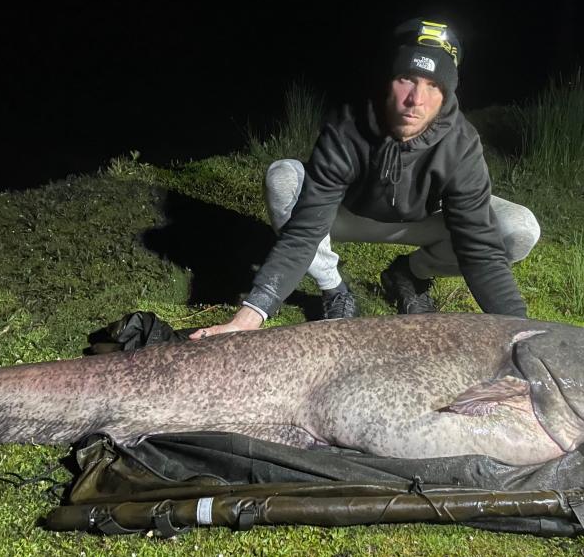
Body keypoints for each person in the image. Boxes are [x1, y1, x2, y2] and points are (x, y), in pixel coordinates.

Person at [191, 17, 540, 340]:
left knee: (518, 227)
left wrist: (523, 336)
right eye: (406, 79)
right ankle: (334, 288)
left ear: (448, 93)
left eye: (433, 85)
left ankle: (410, 274)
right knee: (283, 177)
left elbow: (480, 250)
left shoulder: (462, 145)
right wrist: (247, 318)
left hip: (421, 222)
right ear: (387, 79)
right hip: (346, 217)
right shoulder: (347, 126)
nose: (415, 99)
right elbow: (303, 234)